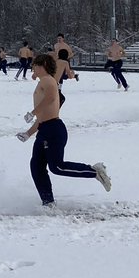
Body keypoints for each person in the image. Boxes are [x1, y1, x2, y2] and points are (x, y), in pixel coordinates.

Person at [15, 53, 110, 208]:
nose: (33, 69)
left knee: (57, 167)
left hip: (53, 130)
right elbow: (42, 116)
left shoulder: (48, 80)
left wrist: (32, 112)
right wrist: (28, 133)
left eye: (35, 66)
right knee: (37, 166)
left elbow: (52, 98)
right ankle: (48, 202)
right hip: (45, 129)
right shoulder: (43, 82)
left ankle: (95, 172)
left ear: (43, 64)